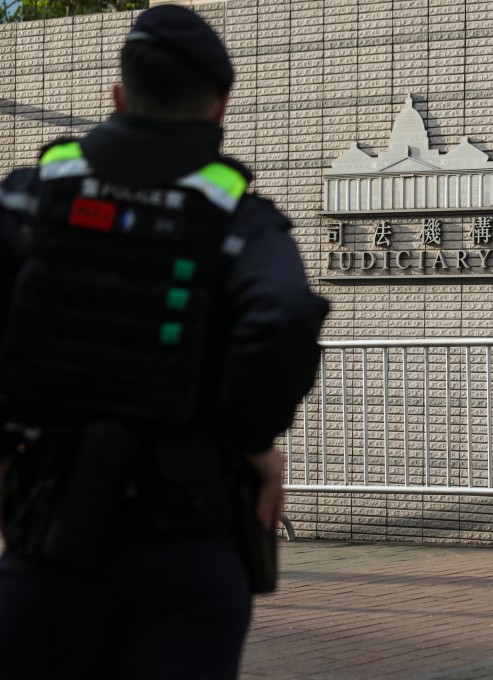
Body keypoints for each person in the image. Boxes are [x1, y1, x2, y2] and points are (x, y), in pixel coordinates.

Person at [0, 5, 328, 678]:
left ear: (119, 96)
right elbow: (287, 313)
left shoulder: (28, 200)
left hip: (48, 529)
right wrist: (255, 440)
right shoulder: (239, 219)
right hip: (189, 536)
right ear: (221, 108)